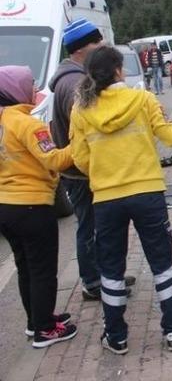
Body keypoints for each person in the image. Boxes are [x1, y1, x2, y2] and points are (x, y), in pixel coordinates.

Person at [70, 46, 172, 354]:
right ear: (118, 71)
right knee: (161, 261)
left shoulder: (81, 109)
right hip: (147, 192)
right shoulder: (143, 99)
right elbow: (169, 135)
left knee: (111, 267)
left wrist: (104, 170)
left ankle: (116, 336)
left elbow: (79, 158)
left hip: (107, 198)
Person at [49, 18, 136, 302]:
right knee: (90, 228)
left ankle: (107, 275)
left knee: (96, 226)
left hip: (82, 169)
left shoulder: (73, 77)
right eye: (96, 43)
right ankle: (93, 281)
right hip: (81, 172)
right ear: (80, 50)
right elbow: (92, 126)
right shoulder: (75, 83)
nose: (102, 46)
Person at [0, 66, 78, 348]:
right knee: (43, 269)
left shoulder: (4, 120)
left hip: (6, 206)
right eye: (30, 84)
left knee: (26, 267)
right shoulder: (28, 124)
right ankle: (46, 330)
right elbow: (55, 160)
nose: (34, 89)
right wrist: (80, 142)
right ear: (15, 90)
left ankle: (36, 320)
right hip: (32, 205)